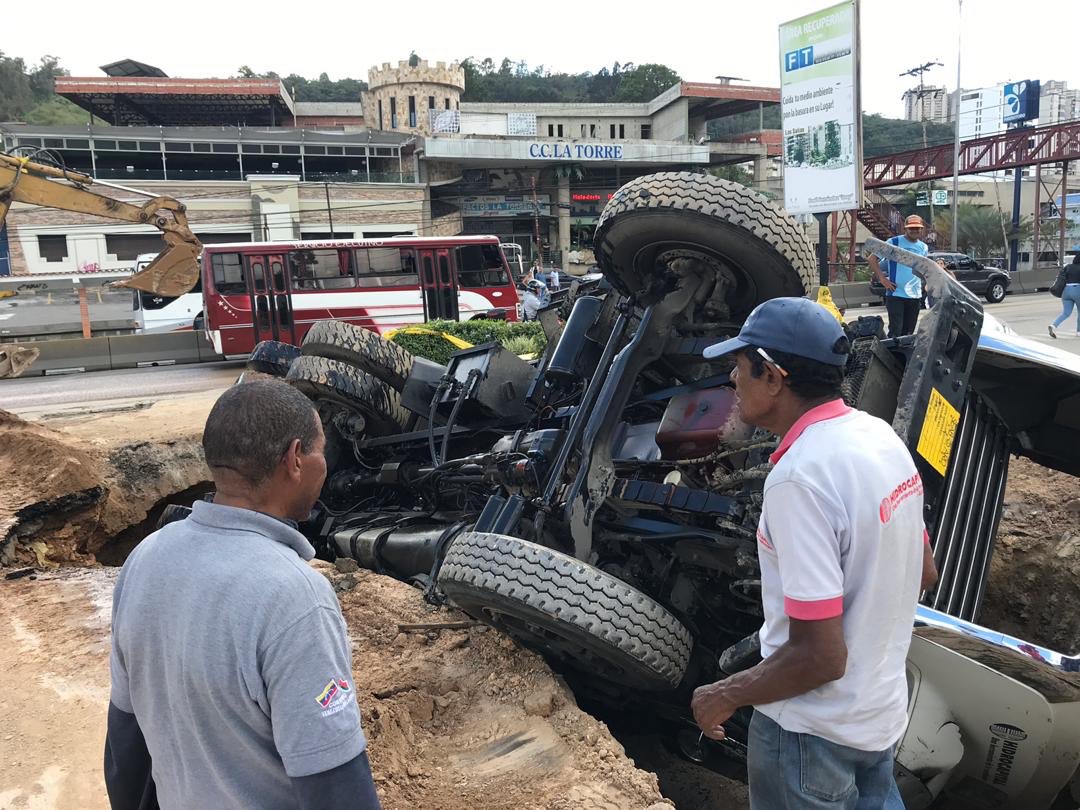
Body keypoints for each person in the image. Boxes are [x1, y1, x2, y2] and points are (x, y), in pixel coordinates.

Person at [692, 298, 937, 809]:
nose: (733, 383)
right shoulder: (880, 437)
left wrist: (724, 694)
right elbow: (924, 571)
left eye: (738, 368)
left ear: (773, 376)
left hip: (807, 738)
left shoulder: (799, 479)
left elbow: (821, 656)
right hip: (877, 720)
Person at [105, 379, 381, 810]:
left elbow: (125, 744)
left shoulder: (145, 560)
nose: (324, 465)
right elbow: (334, 787)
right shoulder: (295, 597)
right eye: (319, 451)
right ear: (294, 459)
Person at [868, 214, 929, 337]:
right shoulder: (894, 242)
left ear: (921, 229)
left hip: (915, 296)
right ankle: (892, 356)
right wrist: (882, 279)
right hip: (896, 294)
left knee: (909, 333)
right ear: (905, 229)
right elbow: (872, 259)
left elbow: (923, 269)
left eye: (917, 228)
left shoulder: (923, 247)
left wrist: (926, 284)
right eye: (911, 228)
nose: (914, 230)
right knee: (896, 331)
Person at [1049, 254, 1080, 338]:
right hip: (1077, 290)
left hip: (1066, 291)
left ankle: (1053, 325)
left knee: (1066, 313)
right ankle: (1078, 331)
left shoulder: (1068, 267)